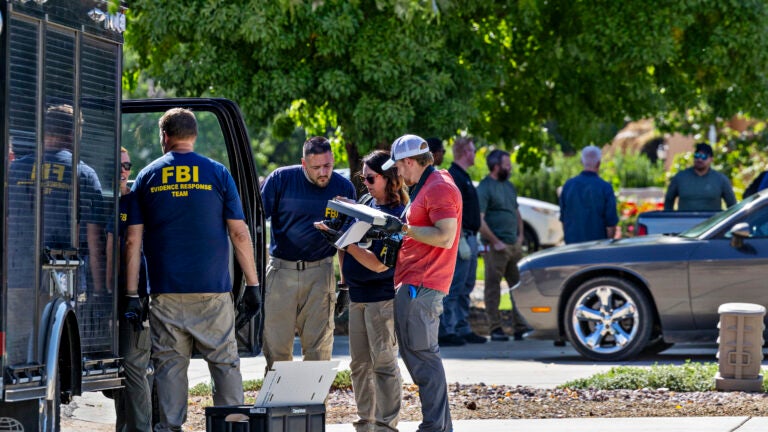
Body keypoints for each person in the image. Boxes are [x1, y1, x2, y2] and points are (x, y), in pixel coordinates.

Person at [125, 108, 260, 432]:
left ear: (165, 137)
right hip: (212, 292)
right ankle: (232, 427)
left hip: (167, 292)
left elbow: (132, 241)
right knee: (225, 364)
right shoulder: (217, 173)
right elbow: (240, 233)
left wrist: (132, 294)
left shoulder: (147, 176)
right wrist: (253, 285)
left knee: (170, 368)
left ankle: (171, 427)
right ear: (194, 135)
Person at [381, 134, 461, 432]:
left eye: (399, 167)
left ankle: (433, 428)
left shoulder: (439, 187)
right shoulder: (429, 184)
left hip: (423, 286)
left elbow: (445, 235)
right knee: (419, 356)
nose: (397, 173)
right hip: (414, 283)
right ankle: (440, 428)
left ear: (410, 162)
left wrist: (403, 228)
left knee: (423, 359)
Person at [260, 136, 356, 372]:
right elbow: (256, 224)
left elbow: (348, 241)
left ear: (333, 160)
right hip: (281, 270)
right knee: (276, 348)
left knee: (319, 348)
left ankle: (314, 407)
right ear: (304, 164)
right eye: (316, 168)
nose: (323, 172)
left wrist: (344, 285)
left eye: (328, 166)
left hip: (320, 271)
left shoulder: (344, 187)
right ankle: (279, 405)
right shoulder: (281, 179)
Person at [336, 151, 405, 432]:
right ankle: (366, 422)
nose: (365, 183)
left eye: (370, 178)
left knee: (384, 364)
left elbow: (379, 265)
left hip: (382, 297)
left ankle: (386, 425)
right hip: (358, 295)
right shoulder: (366, 202)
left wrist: (345, 242)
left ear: (389, 179)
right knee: (359, 365)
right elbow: (346, 245)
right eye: (362, 177)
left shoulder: (399, 214)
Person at [107, 147, 152, 432]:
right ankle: (123, 427)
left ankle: (142, 429)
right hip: (109, 297)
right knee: (120, 369)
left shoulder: (136, 202)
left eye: (128, 165)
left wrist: (134, 297)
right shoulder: (102, 202)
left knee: (135, 367)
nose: (124, 171)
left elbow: (134, 245)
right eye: (119, 165)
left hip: (136, 297)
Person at [477, 149, 532, 342]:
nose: (510, 168)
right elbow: (480, 220)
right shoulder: (484, 187)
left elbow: (516, 212)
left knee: (519, 285)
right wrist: (495, 241)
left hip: (514, 246)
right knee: (492, 288)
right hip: (495, 248)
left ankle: (520, 326)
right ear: (496, 166)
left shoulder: (509, 186)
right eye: (507, 165)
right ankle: (496, 328)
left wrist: (521, 236)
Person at [438, 137, 487, 346]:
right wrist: (458, 239)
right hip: (461, 238)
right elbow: (452, 210)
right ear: (465, 152)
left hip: (470, 237)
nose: (475, 154)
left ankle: (461, 326)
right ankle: (446, 329)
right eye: (473, 151)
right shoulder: (454, 176)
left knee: (466, 285)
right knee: (454, 286)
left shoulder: (463, 176)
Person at [559, 145, 619, 244]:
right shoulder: (605, 188)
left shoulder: (568, 186)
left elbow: (563, 220)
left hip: (572, 247)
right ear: (598, 164)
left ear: (582, 162)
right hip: (597, 248)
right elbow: (611, 225)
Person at [663, 142, 736, 211]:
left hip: (712, 222)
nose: (700, 159)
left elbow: (732, 206)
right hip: (684, 221)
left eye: (704, 157)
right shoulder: (680, 177)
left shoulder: (720, 179)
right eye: (697, 156)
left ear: (711, 159)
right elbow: (668, 201)